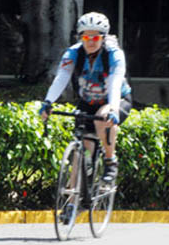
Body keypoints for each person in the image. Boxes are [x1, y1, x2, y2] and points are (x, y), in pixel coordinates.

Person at [39, 11, 132, 187]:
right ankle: (72, 204)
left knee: (102, 119)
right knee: (79, 155)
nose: (90, 41)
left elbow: (114, 83)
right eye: (85, 37)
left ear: (103, 38)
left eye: (95, 38)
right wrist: (48, 102)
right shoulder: (73, 53)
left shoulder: (114, 54)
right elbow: (61, 78)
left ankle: (110, 161)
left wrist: (113, 109)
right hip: (88, 101)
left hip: (115, 99)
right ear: (80, 37)